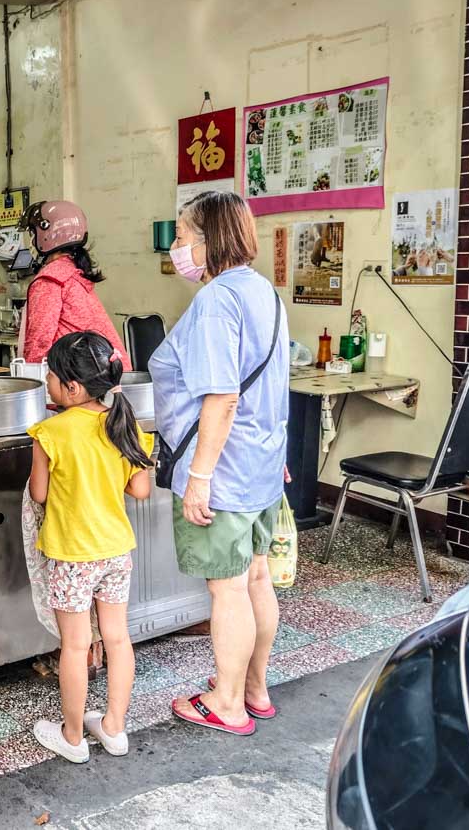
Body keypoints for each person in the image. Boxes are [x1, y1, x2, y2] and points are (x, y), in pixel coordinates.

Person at [147, 190, 289, 737]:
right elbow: (274, 382)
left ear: (208, 241)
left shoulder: (214, 301)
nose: (177, 248)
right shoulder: (262, 292)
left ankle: (226, 702)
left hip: (223, 470)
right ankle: (255, 689)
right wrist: (275, 457)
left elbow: (222, 397)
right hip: (259, 464)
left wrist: (199, 476)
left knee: (227, 588)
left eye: (182, 238)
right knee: (256, 577)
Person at [26, 331, 153, 764]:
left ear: (73, 387)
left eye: (52, 377)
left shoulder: (50, 432)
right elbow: (140, 488)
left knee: (76, 647)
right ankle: (114, 728)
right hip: (116, 551)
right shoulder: (122, 422)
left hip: (72, 556)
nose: (48, 382)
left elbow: (39, 495)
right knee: (118, 639)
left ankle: (73, 735)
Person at [19, 200, 131, 369]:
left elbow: (38, 344)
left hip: (89, 383)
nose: (31, 241)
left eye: (33, 234)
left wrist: (31, 384)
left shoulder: (50, 279)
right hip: (110, 376)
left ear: (47, 235)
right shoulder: (72, 272)